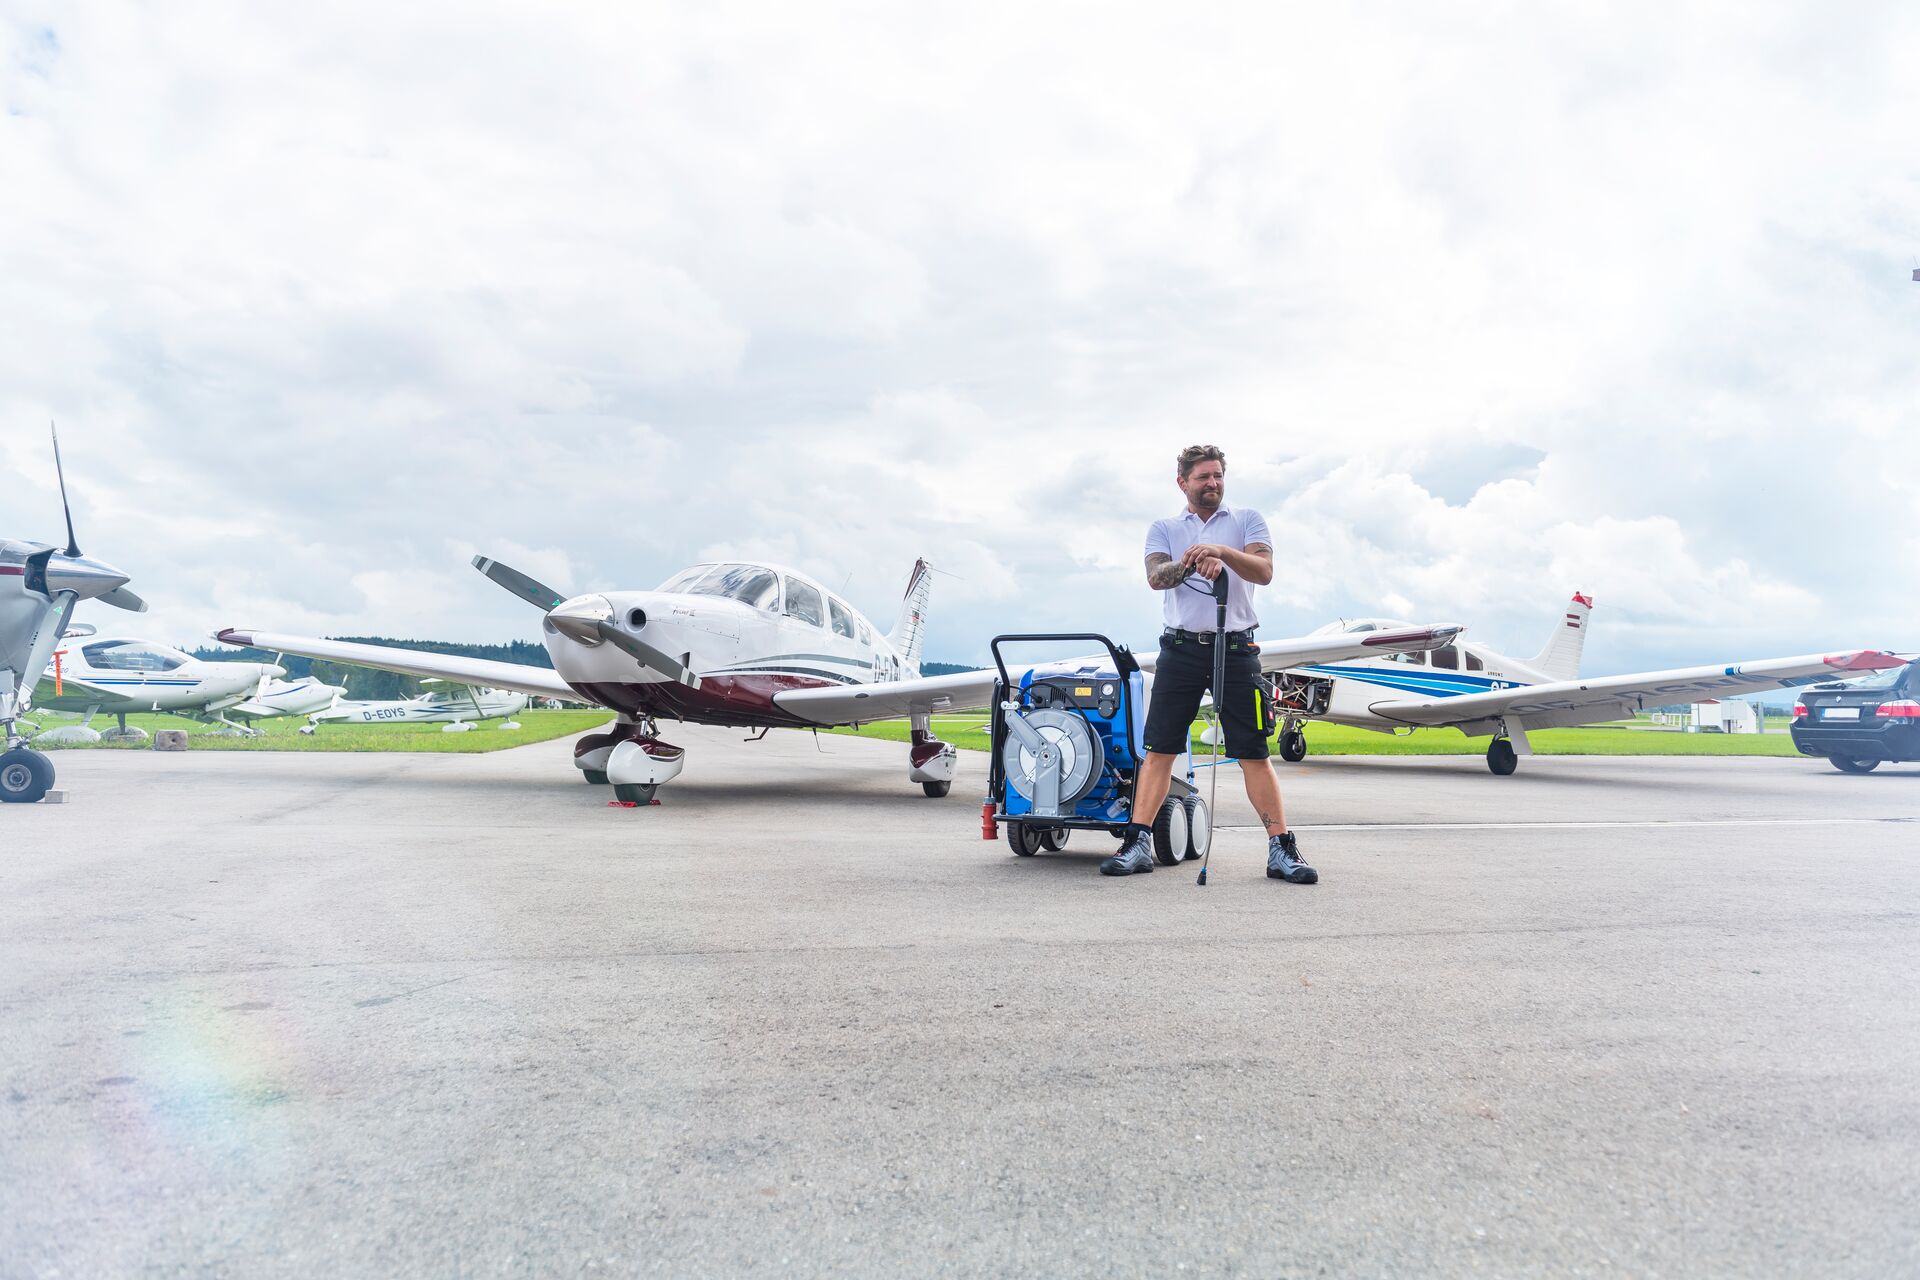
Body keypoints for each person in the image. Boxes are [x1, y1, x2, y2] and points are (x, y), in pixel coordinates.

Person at [1099, 444, 1316, 884]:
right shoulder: (1163, 528)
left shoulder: (1247, 520)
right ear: (1183, 482)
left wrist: (1222, 551)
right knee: (1159, 749)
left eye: (1218, 475)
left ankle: (1281, 848)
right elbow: (1156, 575)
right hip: (1180, 651)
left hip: (1236, 649)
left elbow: (1263, 570)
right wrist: (1194, 560)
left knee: (1253, 752)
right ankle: (1138, 841)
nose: (1212, 483)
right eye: (1203, 477)